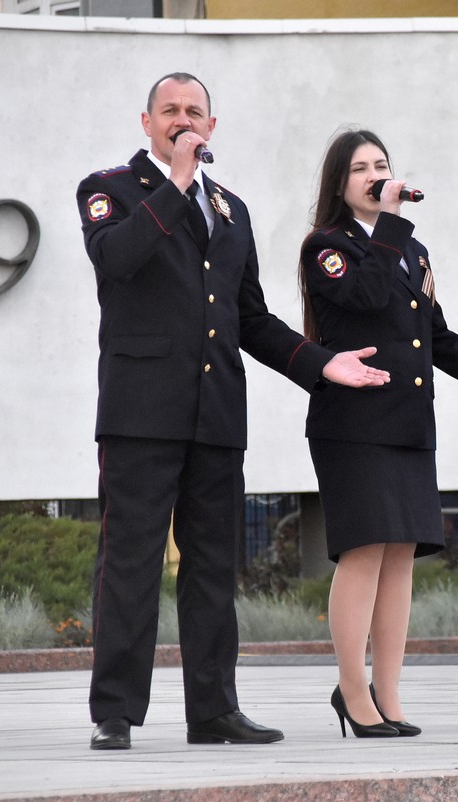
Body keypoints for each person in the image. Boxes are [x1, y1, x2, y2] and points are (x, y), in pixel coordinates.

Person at [75, 73, 389, 751]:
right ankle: (116, 712)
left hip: (216, 413)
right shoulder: (111, 190)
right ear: (147, 122)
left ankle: (213, 709)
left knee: (214, 566)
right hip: (141, 412)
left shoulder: (231, 207)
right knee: (130, 562)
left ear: (211, 127)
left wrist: (319, 362)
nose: (182, 121)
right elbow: (115, 259)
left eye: (194, 113)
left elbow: (250, 317)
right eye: (170, 112)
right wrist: (176, 185)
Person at [299, 129, 458, 739]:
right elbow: (366, 296)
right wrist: (392, 225)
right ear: (339, 183)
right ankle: (352, 691)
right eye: (361, 169)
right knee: (364, 552)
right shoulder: (327, 247)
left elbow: (436, 337)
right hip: (352, 425)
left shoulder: (413, 250)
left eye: (383, 165)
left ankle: (389, 693)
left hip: (407, 422)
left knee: (401, 556)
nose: (376, 176)